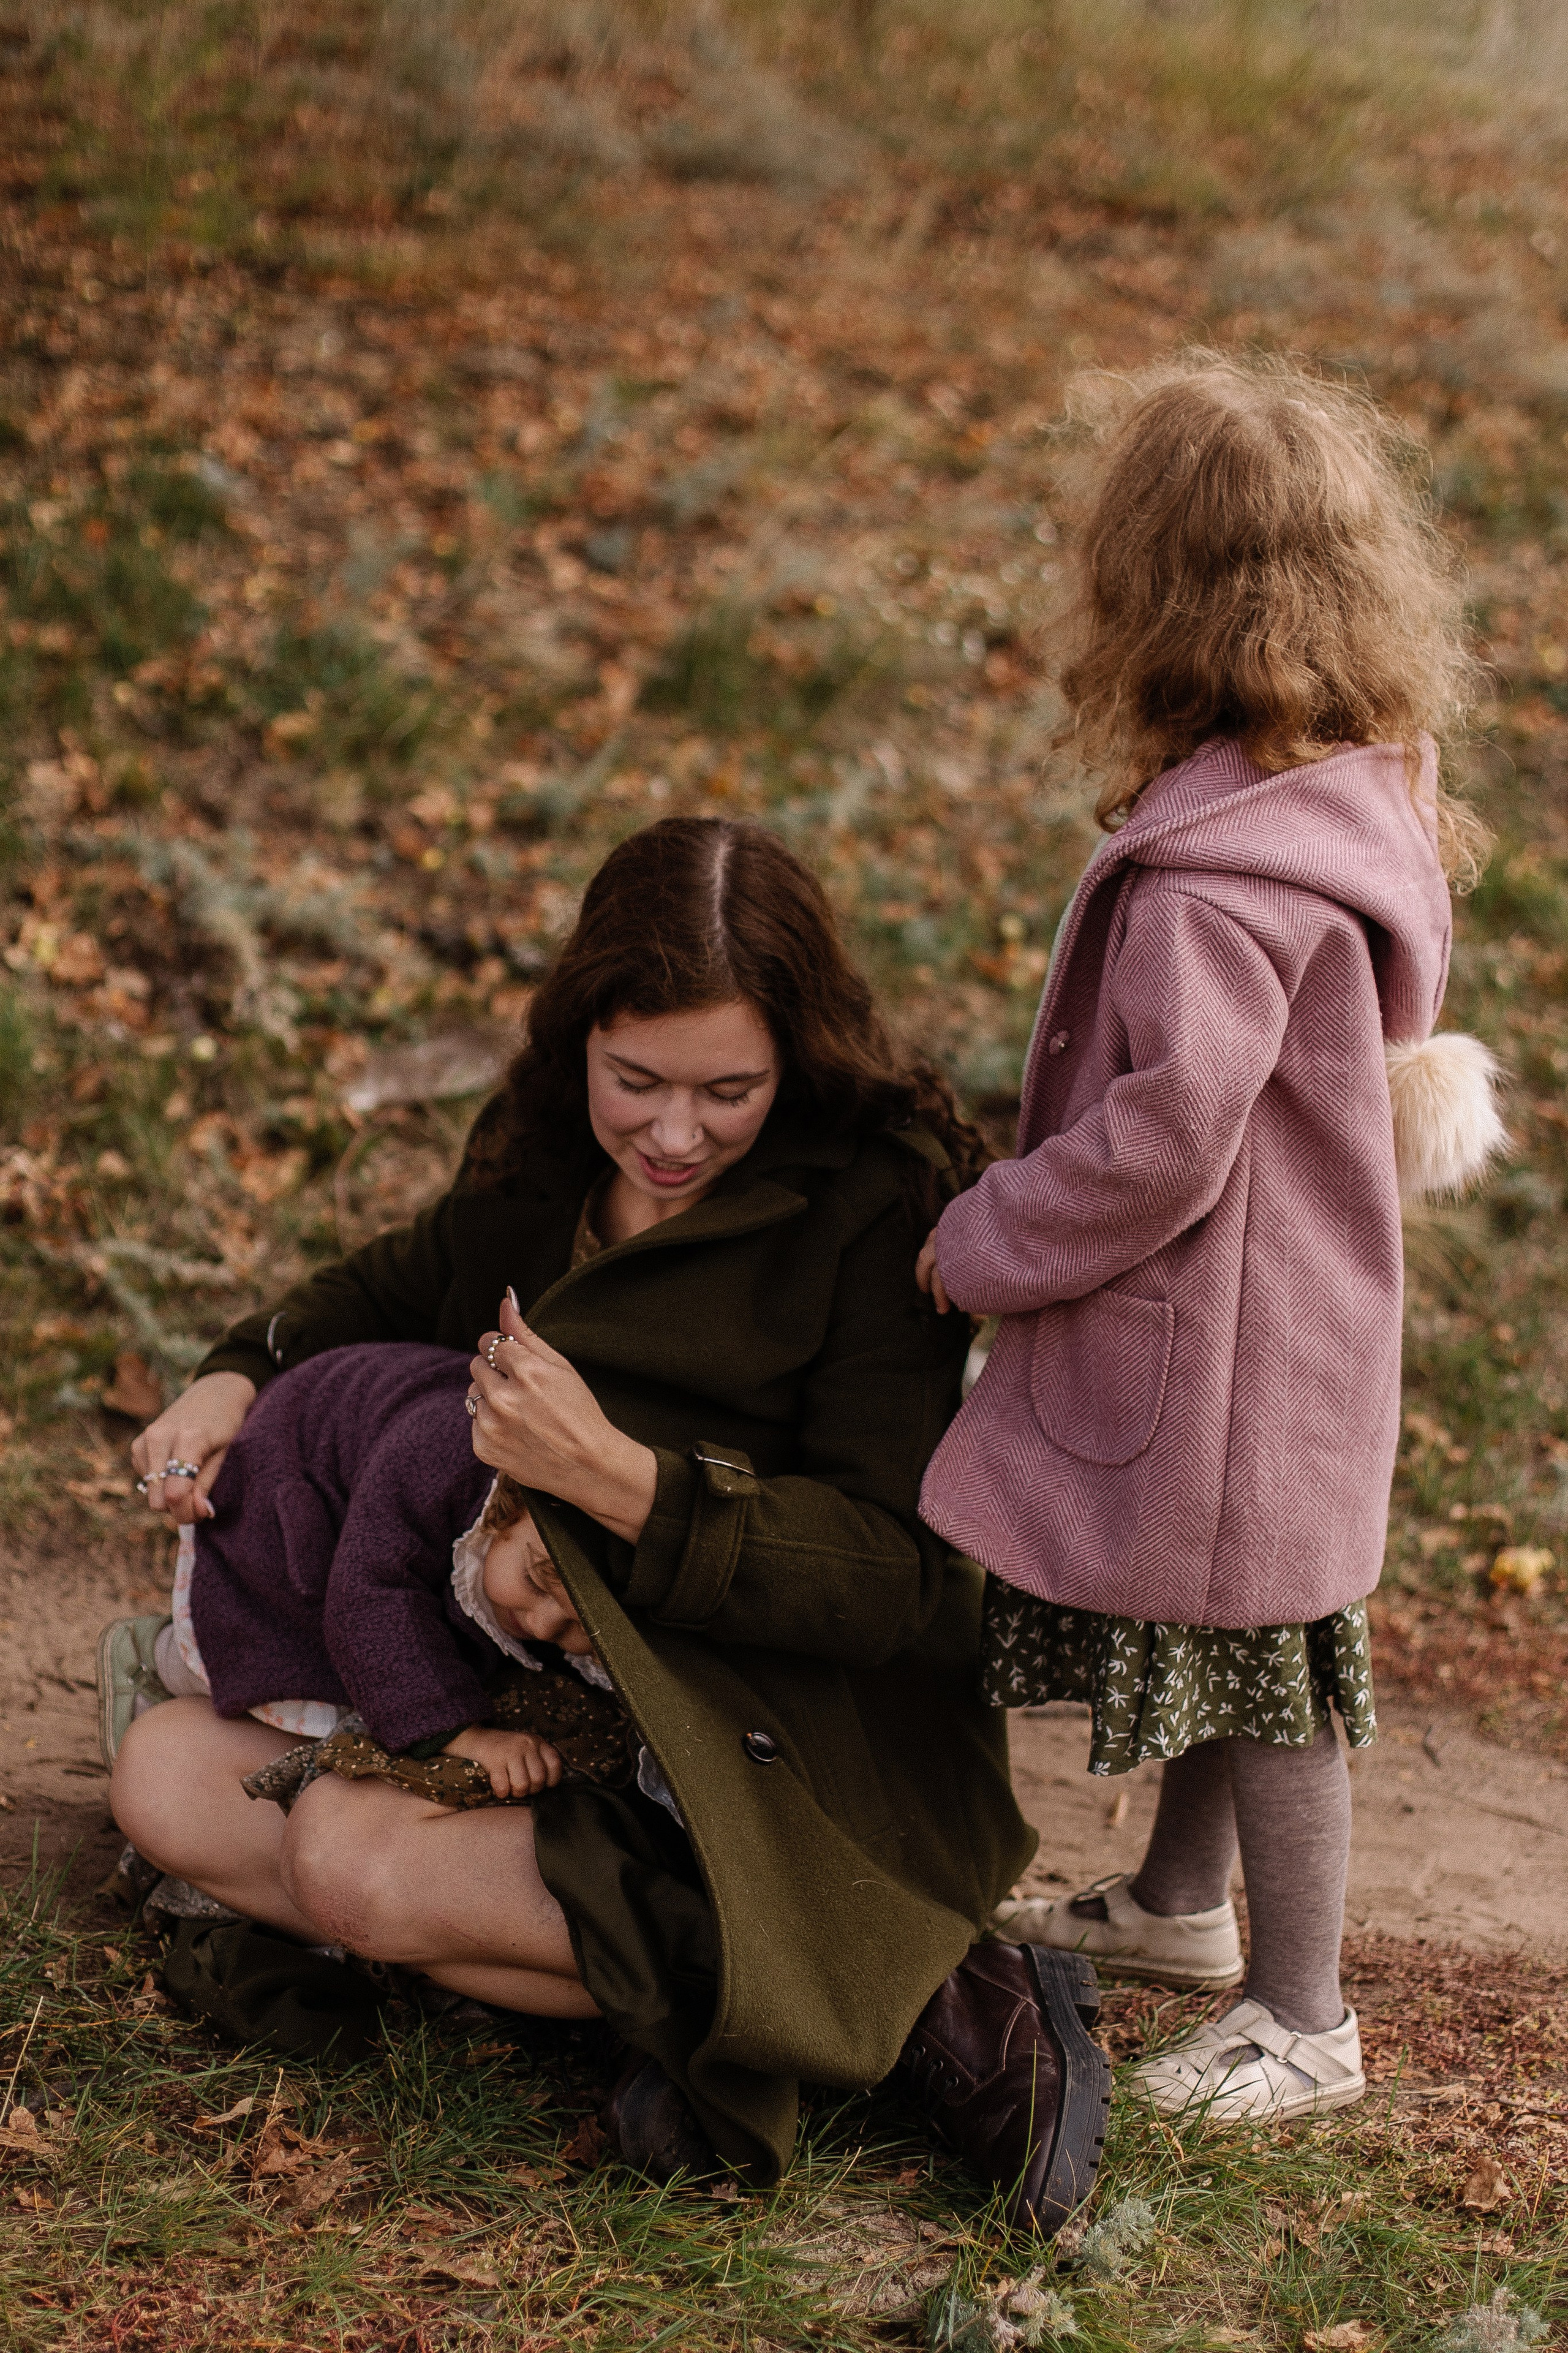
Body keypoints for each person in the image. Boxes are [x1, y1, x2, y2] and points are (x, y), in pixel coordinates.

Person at [110, 815, 1112, 2230]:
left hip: (759, 1732)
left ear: (797, 1057)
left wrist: (622, 1480)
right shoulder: (537, 1154)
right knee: (158, 1773)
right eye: (633, 1079)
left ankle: (908, 1977)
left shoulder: (871, 1199)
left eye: (728, 1089)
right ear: (580, 1035)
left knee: (344, 1864)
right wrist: (233, 1375)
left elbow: (910, 1584)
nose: (673, 1131)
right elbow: (385, 1293)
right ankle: (688, 1996)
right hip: (536, 1693)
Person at [916, 354, 1502, 2126]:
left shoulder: (1208, 887)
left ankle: (1305, 2013)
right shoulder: (1353, 796)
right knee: (1228, 1621)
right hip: (1299, 1318)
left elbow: (1162, 1141)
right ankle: (1180, 1908)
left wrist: (988, 1236)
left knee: (1268, 1669)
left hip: (1229, 1338)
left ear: (1147, 596)